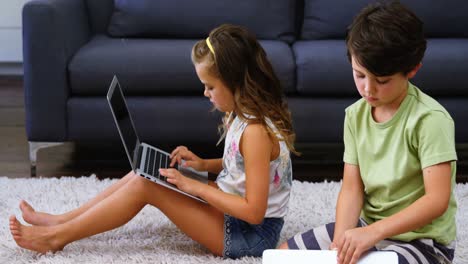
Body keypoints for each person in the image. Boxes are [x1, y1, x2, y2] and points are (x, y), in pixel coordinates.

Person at [9, 24, 297, 259]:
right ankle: (63, 220)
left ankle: (57, 238)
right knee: (146, 170)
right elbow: (243, 165)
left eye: (210, 87)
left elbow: (254, 211)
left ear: (235, 82)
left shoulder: (256, 131)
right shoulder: (242, 114)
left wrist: (196, 186)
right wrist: (202, 164)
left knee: (147, 184)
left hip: (248, 235)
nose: (205, 94)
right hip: (232, 211)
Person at [278, 2, 457, 264]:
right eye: (359, 75)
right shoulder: (355, 115)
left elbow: (436, 201)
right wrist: (340, 243)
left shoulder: (430, 120)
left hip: (422, 241)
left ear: (413, 69)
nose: (368, 89)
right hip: (367, 228)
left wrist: (374, 233)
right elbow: (352, 188)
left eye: (382, 81)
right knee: (282, 257)